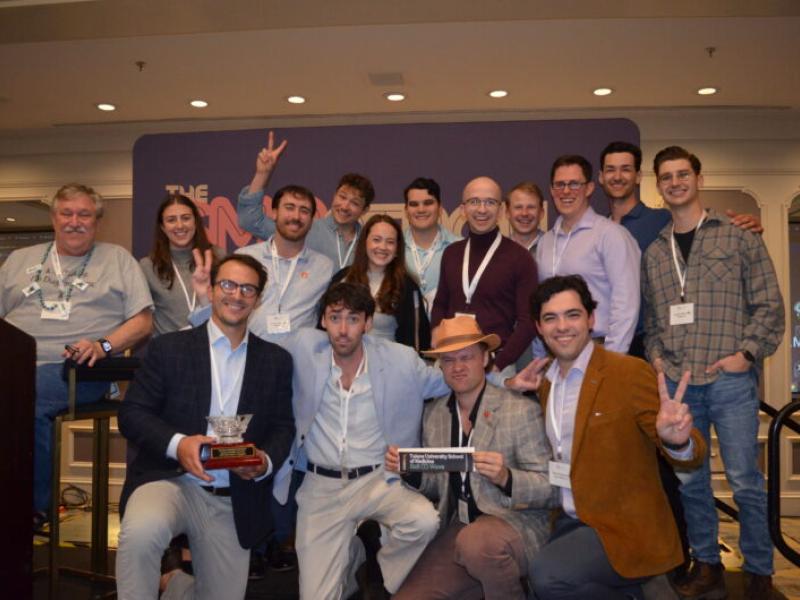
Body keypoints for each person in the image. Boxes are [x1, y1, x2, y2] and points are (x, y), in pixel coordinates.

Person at [275, 282, 541, 598]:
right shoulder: (302, 348)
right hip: (322, 486)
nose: (343, 329)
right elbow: (254, 352)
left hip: (377, 479)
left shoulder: (400, 360)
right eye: (335, 318)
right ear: (322, 321)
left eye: (354, 318)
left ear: (368, 323)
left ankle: (377, 567)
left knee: (423, 521)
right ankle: (349, 556)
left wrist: (506, 381)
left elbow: (452, 378)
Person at [642, 146, 785, 600]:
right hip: (681, 386)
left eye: (683, 174)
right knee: (692, 482)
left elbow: (769, 304)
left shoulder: (738, 237)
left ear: (698, 179)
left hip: (730, 380)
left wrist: (748, 352)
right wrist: (656, 356)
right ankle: (707, 564)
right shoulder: (655, 254)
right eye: (666, 177)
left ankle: (760, 569)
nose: (675, 183)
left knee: (744, 480)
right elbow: (653, 322)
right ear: (659, 186)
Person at [115, 254, 295, 600]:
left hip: (233, 497)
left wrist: (263, 463)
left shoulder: (275, 361)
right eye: (227, 284)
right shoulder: (169, 349)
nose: (236, 295)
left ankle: (177, 585)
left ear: (257, 299)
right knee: (141, 533)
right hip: (170, 479)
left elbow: (283, 428)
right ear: (211, 291)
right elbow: (133, 414)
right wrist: (178, 444)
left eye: (247, 288)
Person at [521, 274, 705, 599]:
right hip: (569, 517)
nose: (562, 326)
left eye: (572, 314)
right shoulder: (545, 382)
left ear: (591, 319)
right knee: (536, 581)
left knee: (547, 576)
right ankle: (639, 590)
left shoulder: (628, 373)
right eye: (550, 318)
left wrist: (678, 440)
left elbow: (690, 455)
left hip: (622, 526)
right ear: (539, 327)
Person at [0, 183, 153, 527]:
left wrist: (104, 346)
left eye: (84, 214)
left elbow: (143, 322)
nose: (74, 221)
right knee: (16, 388)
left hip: (80, 369)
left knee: (26, 396)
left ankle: (30, 506)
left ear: (96, 221)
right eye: (66, 213)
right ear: (54, 218)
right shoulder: (19, 260)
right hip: (13, 364)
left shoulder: (116, 259)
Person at [387, 316, 555, 600]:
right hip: (461, 528)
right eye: (449, 360)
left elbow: (551, 489)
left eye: (466, 357)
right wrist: (409, 470)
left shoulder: (520, 410)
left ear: (486, 359)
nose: (458, 367)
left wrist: (507, 478)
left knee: (476, 544)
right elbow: (435, 484)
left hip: (516, 524)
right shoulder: (435, 415)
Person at [597, 141, 762, 358]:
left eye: (626, 169)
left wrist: (743, 224)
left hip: (649, 342)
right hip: (606, 343)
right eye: (611, 170)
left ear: (638, 177)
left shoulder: (662, 221)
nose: (617, 176)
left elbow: (699, 224)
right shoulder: (597, 230)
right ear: (600, 177)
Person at [432, 176, 538, 373]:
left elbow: (528, 321)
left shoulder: (520, 258)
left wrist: (497, 364)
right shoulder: (451, 253)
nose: (482, 209)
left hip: (496, 365)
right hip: (452, 362)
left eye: (490, 202)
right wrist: (437, 334)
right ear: (463, 209)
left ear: (500, 210)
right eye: (474, 202)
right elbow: (440, 304)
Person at [535, 155, 641, 353]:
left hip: (598, 348)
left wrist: (611, 359)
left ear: (590, 188)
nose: (566, 191)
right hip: (555, 352)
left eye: (574, 184)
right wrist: (541, 358)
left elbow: (626, 304)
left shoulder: (611, 235)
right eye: (559, 185)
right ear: (551, 190)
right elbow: (541, 304)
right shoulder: (546, 242)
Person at [237, 131, 374, 269]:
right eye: (342, 197)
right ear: (334, 196)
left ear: (365, 210)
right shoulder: (305, 228)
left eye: (354, 203)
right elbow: (250, 220)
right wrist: (262, 174)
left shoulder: (370, 241)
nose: (344, 206)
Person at [328, 213, 430, 351]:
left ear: (397, 249)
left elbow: (417, 342)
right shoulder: (342, 279)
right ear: (365, 242)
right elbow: (326, 326)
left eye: (390, 242)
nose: (383, 247)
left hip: (389, 366)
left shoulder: (407, 287)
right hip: (345, 364)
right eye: (376, 240)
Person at [139, 193, 223, 335]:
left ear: (195, 222)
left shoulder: (218, 257)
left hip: (213, 348)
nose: (180, 225)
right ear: (162, 227)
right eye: (171, 220)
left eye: (186, 218)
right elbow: (141, 318)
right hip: (168, 352)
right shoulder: (148, 266)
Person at [402, 177, 460, 312]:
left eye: (428, 203)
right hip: (403, 331)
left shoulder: (459, 248)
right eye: (414, 204)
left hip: (446, 330)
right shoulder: (393, 249)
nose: (421, 209)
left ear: (440, 208)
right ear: (406, 210)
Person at [506, 181, 545, 255]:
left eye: (531, 207)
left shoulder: (555, 247)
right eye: (518, 207)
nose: (524, 213)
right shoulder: (498, 251)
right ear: (507, 213)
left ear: (541, 213)